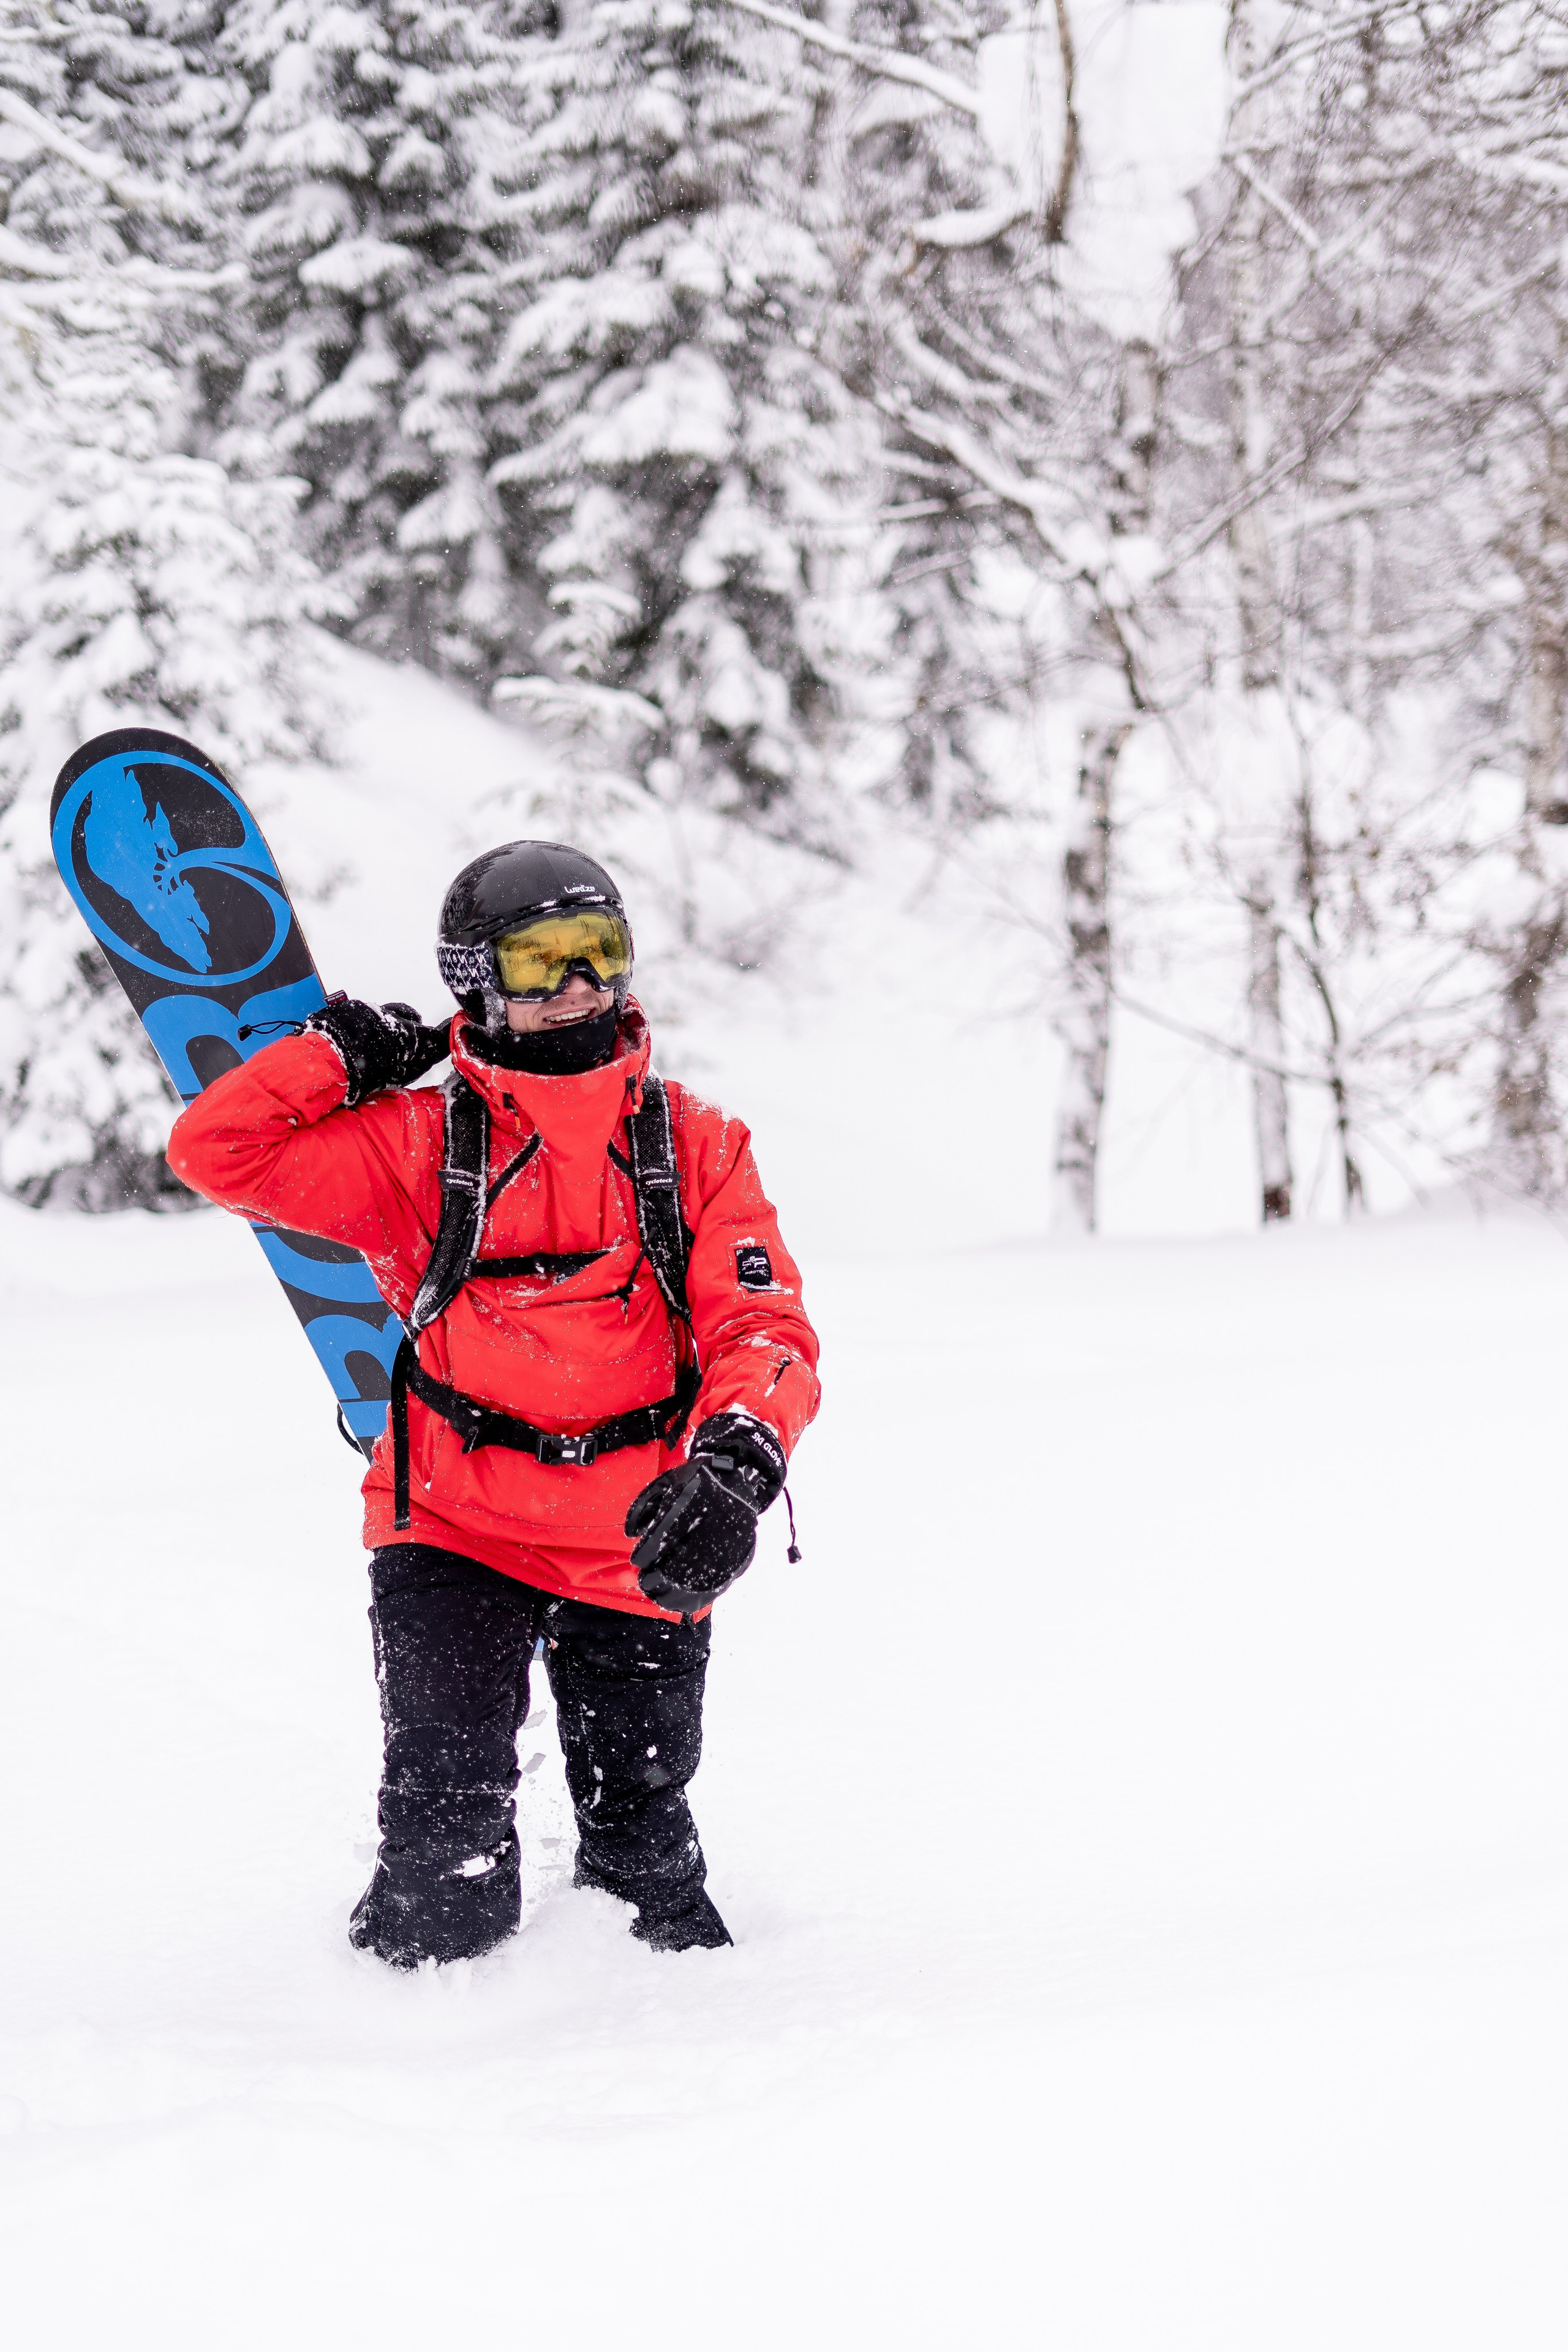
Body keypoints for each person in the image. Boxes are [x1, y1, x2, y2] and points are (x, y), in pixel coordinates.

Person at [167, 841, 820, 1964]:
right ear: (478, 979)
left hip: (637, 1535)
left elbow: (759, 1326)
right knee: (444, 1862)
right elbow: (215, 1151)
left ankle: (680, 2083)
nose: (577, 986)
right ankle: (408, 2069)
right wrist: (335, 1061)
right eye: (538, 960)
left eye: (598, 952)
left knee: (647, 1867)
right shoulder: (420, 1146)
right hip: (453, 1525)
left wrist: (739, 1461)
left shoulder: (697, 1144)